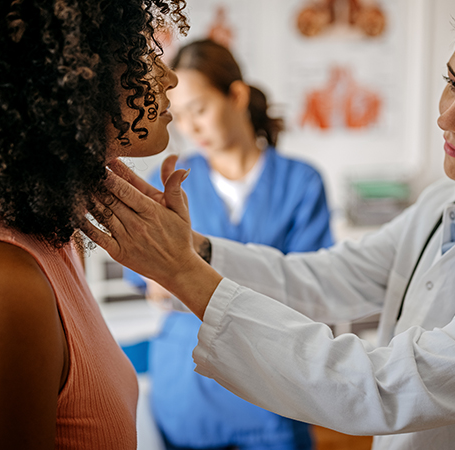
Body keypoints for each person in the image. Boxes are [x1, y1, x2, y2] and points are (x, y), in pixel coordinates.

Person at [84, 0, 455, 448]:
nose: (445, 117)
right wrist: (196, 251)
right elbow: (325, 279)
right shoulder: (443, 204)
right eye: (452, 82)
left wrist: (181, 273)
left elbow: (379, 386)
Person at [0, 0, 186, 448]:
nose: (168, 77)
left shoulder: (44, 240)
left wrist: (183, 263)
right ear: (63, 78)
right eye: (140, 52)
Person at [124, 39, 332, 450]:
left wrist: (188, 276)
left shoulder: (301, 182)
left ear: (235, 96)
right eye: (177, 115)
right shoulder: (167, 182)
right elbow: (153, 285)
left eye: (199, 109)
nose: (189, 128)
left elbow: (311, 291)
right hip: (188, 388)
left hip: (272, 386)